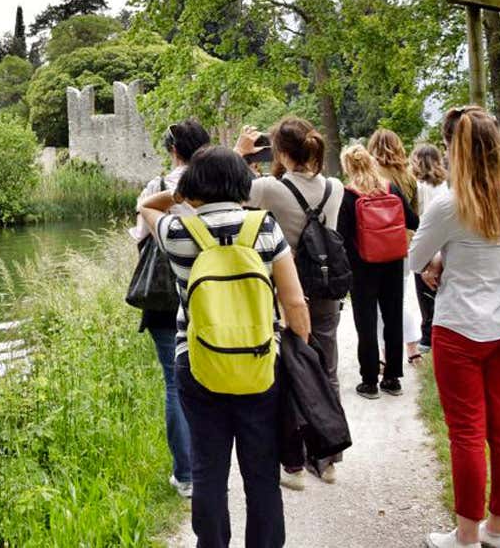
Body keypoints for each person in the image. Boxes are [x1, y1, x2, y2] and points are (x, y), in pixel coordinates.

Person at [139, 146, 311, 548]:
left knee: (208, 470)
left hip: (198, 365)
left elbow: (147, 204)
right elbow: (295, 303)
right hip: (258, 365)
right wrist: (302, 356)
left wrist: (180, 194)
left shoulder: (178, 234)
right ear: (243, 184)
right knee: (261, 472)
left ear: (194, 185)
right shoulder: (264, 228)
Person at [410, 107, 500, 548]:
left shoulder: (448, 203)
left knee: (466, 433)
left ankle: (464, 537)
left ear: (454, 149)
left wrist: (439, 261)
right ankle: (499, 530)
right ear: (497, 146)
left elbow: (415, 259)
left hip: (459, 328)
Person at [235, 117, 344, 490]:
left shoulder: (269, 188)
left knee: (286, 376)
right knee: (326, 370)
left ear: (281, 152)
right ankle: (328, 460)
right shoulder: (336, 186)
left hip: (284, 290)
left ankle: (294, 465)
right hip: (326, 289)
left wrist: (241, 153)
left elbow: (232, 190)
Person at [130, 119, 211, 498]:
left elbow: (141, 236)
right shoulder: (215, 183)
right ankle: (213, 461)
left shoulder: (157, 187)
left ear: (172, 150)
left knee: (174, 383)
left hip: (166, 298)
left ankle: (186, 475)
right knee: (211, 375)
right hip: (210, 291)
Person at [337, 144, 418, 399]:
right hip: (393, 260)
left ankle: (369, 381)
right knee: (392, 318)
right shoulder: (390, 188)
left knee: (366, 323)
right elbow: (413, 221)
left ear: (348, 166)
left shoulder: (348, 194)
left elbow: (342, 235)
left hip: (362, 265)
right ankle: (393, 378)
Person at [368, 129, 424, 367]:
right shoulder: (408, 176)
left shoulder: (371, 176)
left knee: (380, 302)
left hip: (376, 244)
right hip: (403, 243)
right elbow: (416, 213)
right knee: (399, 299)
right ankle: (412, 349)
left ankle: (383, 354)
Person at [410, 143, 448, 353]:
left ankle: (427, 335)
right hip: (444, 242)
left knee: (424, 293)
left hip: (425, 240)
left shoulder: (418, 186)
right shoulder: (446, 185)